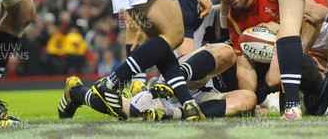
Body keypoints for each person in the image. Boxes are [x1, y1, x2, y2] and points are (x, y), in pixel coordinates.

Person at [59, 44, 256, 120]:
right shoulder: (210, 11)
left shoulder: (268, 78)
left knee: (248, 99)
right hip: (184, 77)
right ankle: (169, 85)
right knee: (226, 52)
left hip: (204, 98)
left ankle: (76, 93)